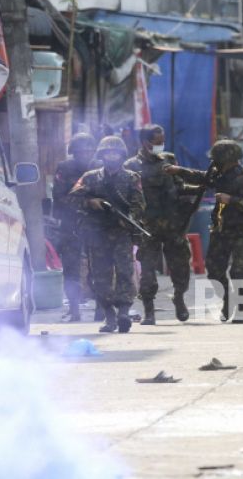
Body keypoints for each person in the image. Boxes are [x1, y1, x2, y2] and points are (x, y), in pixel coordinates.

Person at [175, 140, 243, 324]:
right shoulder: (218, 175)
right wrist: (179, 171)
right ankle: (227, 297)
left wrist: (231, 199)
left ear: (228, 159)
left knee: (239, 270)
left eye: (217, 159)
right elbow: (201, 177)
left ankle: (240, 309)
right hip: (221, 229)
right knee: (214, 270)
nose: (214, 163)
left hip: (242, 230)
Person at [69, 136, 145, 334]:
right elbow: (72, 198)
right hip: (97, 234)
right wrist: (90, 202)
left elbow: (139, 204)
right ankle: (109, 316)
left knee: (125, 273)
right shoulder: (90, 177)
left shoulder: (131, 178)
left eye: (116, 153)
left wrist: (128, 219)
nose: (112, 156)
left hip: (121, 233)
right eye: (108, 153)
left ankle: (123, 313)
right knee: (100, 276)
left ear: (122, 155)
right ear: (102, 155)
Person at [124, 124, 194, 325]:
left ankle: (179, 297)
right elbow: (130, 196)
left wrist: (195, 189)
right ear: (145, 143)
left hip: (173, 225)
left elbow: (179, 186)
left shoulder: (169, 160)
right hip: (147, 227)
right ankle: (149, 310)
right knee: (147, 270)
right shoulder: (131, 166)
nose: (161, 145)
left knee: (181, 265)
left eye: (163, 141)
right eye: (157, 142)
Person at [51, 133, 97, 322]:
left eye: (88, 149)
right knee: (71, 268)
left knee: (100, 267)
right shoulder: (65, 168)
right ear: (74, 152)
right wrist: (86, 204)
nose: (85, 153)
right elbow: (59, 197)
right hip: (71, 224)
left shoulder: (99, 167)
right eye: (81, 150)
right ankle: (74, 309)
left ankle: (103, 309)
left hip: (97, 225)